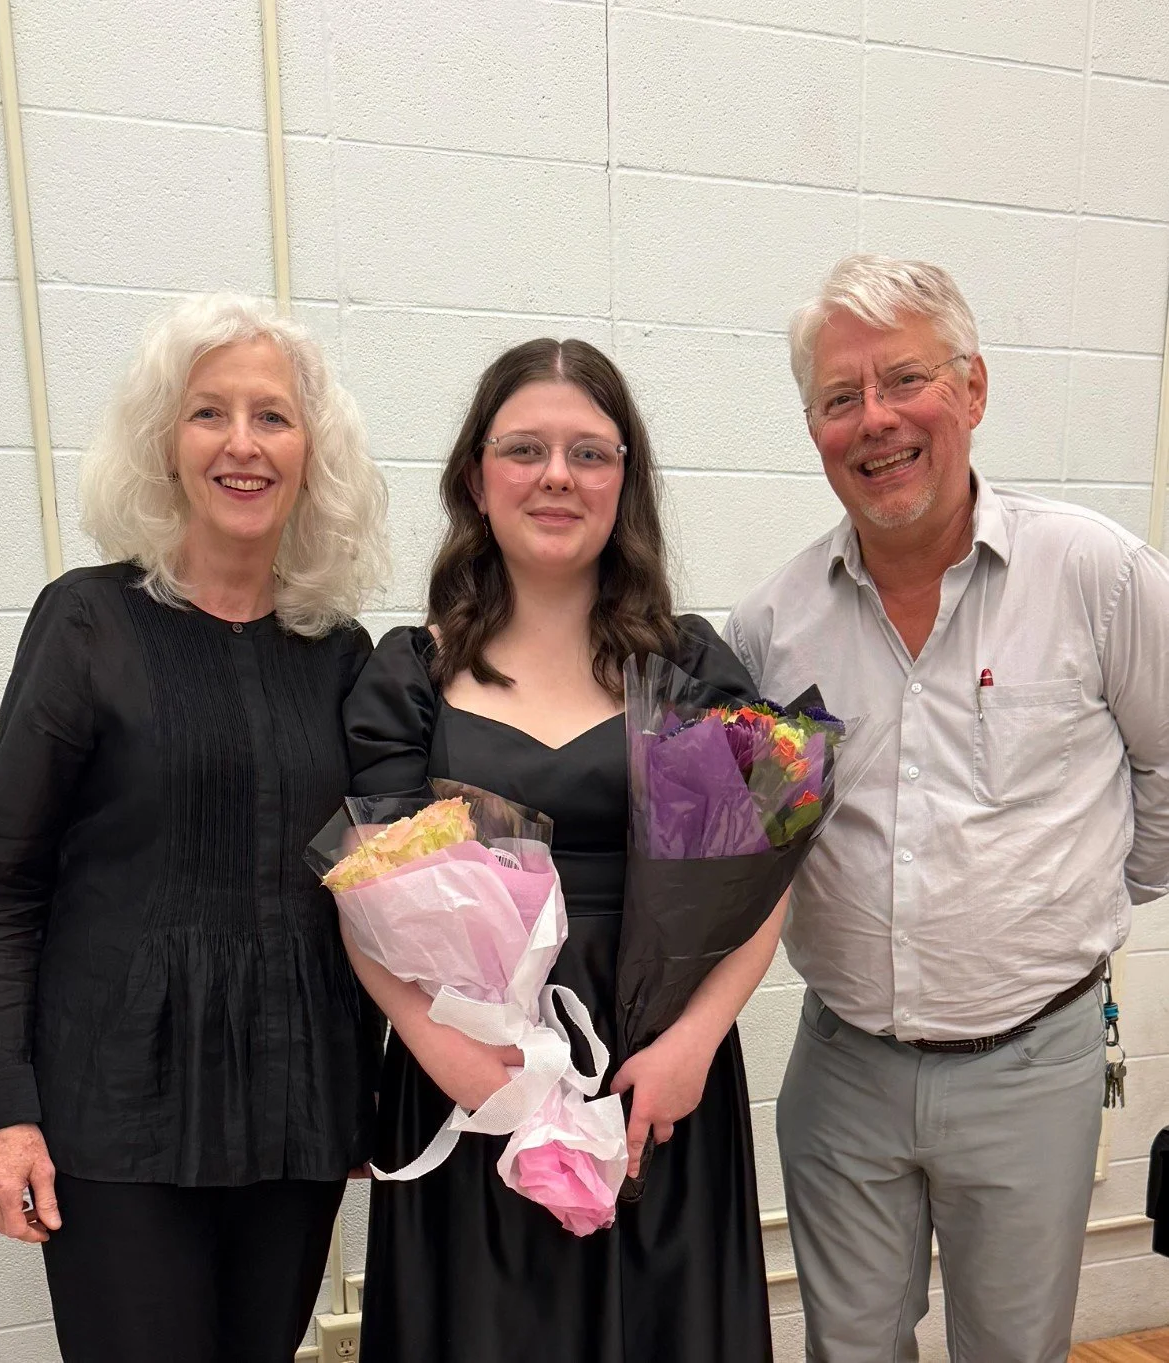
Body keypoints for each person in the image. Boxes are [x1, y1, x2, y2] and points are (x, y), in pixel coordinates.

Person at [725, 254, 1169, 1363]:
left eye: (906, 379)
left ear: (972, 389)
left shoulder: (1100, 576)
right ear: (814, 430)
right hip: (843, 1067)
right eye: (840, 397)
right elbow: (755, 853)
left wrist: (1080, 899)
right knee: (849, 1350)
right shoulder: (770, 629)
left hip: (1034, 1063)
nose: (875, 420)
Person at [0, 294, 390, 1363]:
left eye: (272, 416)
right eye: (210, 413)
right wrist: (5, 1111)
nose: (242, 443)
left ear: (310, 455)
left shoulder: (340, 652)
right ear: (166, 445)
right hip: (114, 1109)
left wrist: (359, 1088)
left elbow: (368, 889)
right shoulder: (88, 622)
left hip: (293, 1112)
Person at [342, 338, 776, 1362]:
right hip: (473, 1072)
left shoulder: (690, 668)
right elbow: (363, 899)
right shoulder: (410, 676)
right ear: (476, 477)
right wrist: (442, 1052)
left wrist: (695, 1043)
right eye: (524, 449)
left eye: (589, 452)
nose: (556, 476)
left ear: (625, 479)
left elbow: (759, 891)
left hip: (655, 1081)